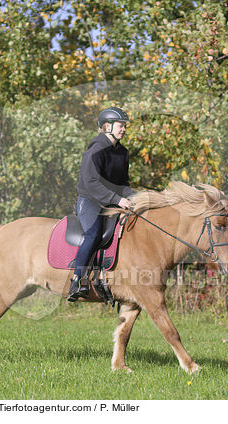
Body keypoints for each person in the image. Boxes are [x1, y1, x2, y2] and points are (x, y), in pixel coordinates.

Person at [67, 107, 135, 302]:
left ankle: (107, 281)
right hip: (90, 201)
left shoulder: (122, 152)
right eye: (121, 125)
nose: (123, 129)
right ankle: (77, 280)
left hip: (111, 202)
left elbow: (123, 185)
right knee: (94, 233)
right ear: (107, 126)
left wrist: (136, 197)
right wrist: (118, 199)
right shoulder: (96, 149)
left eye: (124, 126)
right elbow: (91, 183)